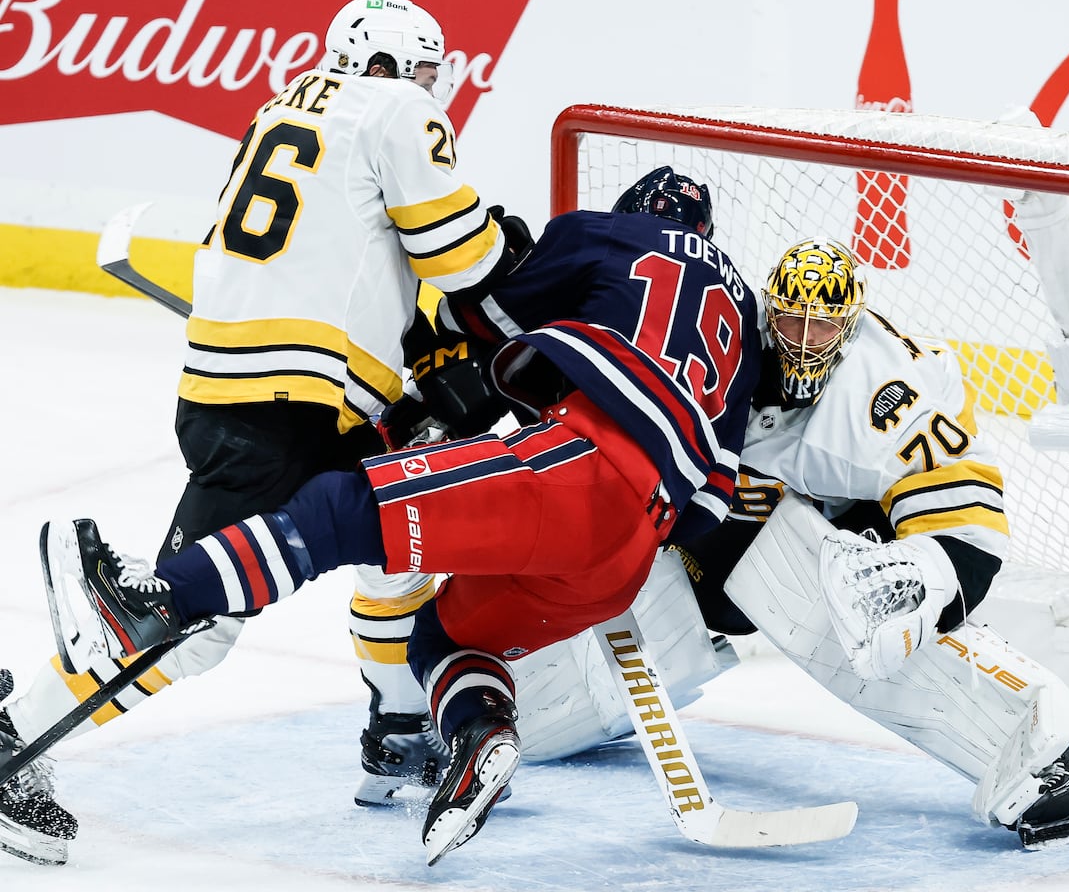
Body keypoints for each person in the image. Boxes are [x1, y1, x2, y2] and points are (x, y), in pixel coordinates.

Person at [35, 166, 762, 865]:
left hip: (563, 472)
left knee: (339, 527)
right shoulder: (740, 320)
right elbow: (707, 505)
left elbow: (491, 318)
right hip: (628, 547)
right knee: (434, 632)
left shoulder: (599, 238)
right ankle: (463, 732)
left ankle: (172, 621)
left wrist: (450, 375)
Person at [0, 0, 525, 867]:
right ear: (391, 65)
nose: (438, 91)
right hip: (292, 395)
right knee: (193, 618)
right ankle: (15, 731)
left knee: (398, 540)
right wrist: (511, 256)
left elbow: (355, 256)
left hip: (271, 386)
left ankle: (398, 725)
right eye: (427, 70)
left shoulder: (290, 103)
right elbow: (460, 254)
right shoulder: (395, 106)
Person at [511, 238, 1069, 848]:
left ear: (849, 326)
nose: (804, 340)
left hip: (860, 511)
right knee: (640, 608)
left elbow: (964, 503)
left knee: (833, 606)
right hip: (718, 496)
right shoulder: (696, 331)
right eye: (790, 320)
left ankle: (1046, 762)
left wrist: (921, 578)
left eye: (823, 326)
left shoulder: (881, 390)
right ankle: (483, 714)